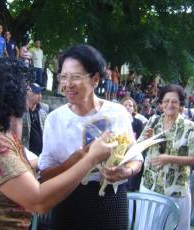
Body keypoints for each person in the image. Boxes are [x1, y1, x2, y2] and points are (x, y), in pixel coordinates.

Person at [0, 57, 116, 229]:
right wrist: (91, 159)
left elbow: (20, 174)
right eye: (25, 88)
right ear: (6, 94)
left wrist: (79, 157)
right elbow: (38, 201)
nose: (27, 93)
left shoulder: (1, 133)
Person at [38, 45, 143, 230]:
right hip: (67, 199)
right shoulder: (55, 119)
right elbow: (45, 174)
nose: (68, 84)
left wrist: (124, 172)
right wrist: (77, 159)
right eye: (63, 76)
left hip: (111, 199)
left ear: (95, 79)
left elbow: (136, 158)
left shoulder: (117, 113)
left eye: (76, 77)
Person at [136, 84, 194, 230]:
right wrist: (146, 139)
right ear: (160, 104)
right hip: (149, 186)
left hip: (175, 190)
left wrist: (168, 158)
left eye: (174, 101)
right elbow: (138, 147)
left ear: (181, 104)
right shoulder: (153, 121)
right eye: (166, 101)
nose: (169, 105)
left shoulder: (190, 127)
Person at [121, 96, 145, 192]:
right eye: (125, 105)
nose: (127, 107)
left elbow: (141, 141)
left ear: (134, 108)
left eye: (130, 105)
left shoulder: (138, 123)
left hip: (133, 158)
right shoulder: (116, 122)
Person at [21, 83, 49, 156]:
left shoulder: (44, 109)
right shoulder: (21, 110)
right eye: (37, 93)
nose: (40, 96)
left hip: (42, 153)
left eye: (40, 93)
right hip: (27, 153)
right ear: (28, 93)